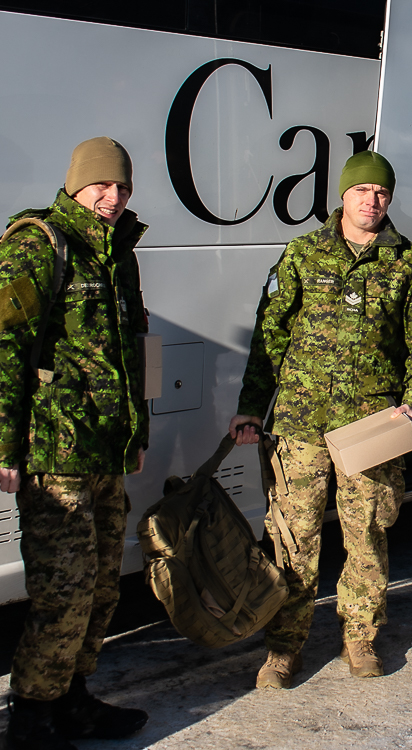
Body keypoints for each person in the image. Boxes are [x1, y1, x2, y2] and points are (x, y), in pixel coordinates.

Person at [229, 151, 412, 685]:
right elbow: (271, 337)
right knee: (293, 541)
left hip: (372, 425)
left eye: (381, 193)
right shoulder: (304, 255)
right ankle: (284, 648)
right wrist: (249, 407)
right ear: (342, 196)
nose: (371, 201)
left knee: (368, 537)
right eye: (361, 192)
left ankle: (361, 638)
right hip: (300, 426)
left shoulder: (410, 263)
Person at [0, 137, 149, 749]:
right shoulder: (39, 243)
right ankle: (33, 718)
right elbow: (5, 346)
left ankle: (74, 699)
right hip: (54, 452)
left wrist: (135, 433)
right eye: (100, 187)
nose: (111, 199)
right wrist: (4, 444)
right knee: (63, 591)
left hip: (105, 453)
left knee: (105, 587)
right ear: (75, 184)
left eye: (121, 188)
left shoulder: (120, 254)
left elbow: (131, 351)